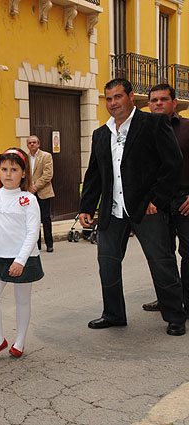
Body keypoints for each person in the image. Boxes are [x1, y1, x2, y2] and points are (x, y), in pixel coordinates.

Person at [79, 78, 186, 336]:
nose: (113, 103)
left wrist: (156, 200)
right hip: (112, 212)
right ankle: (113, 314)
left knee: (161, 262)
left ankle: (174, 316)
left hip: (145, 208)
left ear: (130, 97)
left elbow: (172, 164)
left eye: (117, 97)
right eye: (108, 98)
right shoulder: (101, 133)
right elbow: (94, 174)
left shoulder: (153, 124)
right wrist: (86, 207)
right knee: (108, 263)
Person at [0, 148, 43, 359]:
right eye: (4, 169)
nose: (7, 174)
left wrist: (20, 261)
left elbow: (33, 232)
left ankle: (20, 341)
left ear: (23, 173)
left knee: (22, 300)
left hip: (23, 257)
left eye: (14, 169)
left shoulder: (29, 199)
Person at [141, 84, 189, 315]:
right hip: (156, 202)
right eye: (153, 100)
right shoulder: (142, 132)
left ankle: (187, 303)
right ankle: (168, 300)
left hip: (184, 199)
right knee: (162, 255)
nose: (158, 103)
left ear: (174, 102)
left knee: (188, 253)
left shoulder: (187, 128)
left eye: (163, 99)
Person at [27, 135, 55, 252]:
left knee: (45, 218)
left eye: (34, 142)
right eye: (30, 143)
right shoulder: (26, 158)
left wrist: (36, 186)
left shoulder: (46, 156)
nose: (32, 144)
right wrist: (29, 188)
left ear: (38, 144)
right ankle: (36, 245)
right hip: (30, 193)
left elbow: (48, 174)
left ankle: (49, 244)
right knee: (34, 220)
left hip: (43, 192)